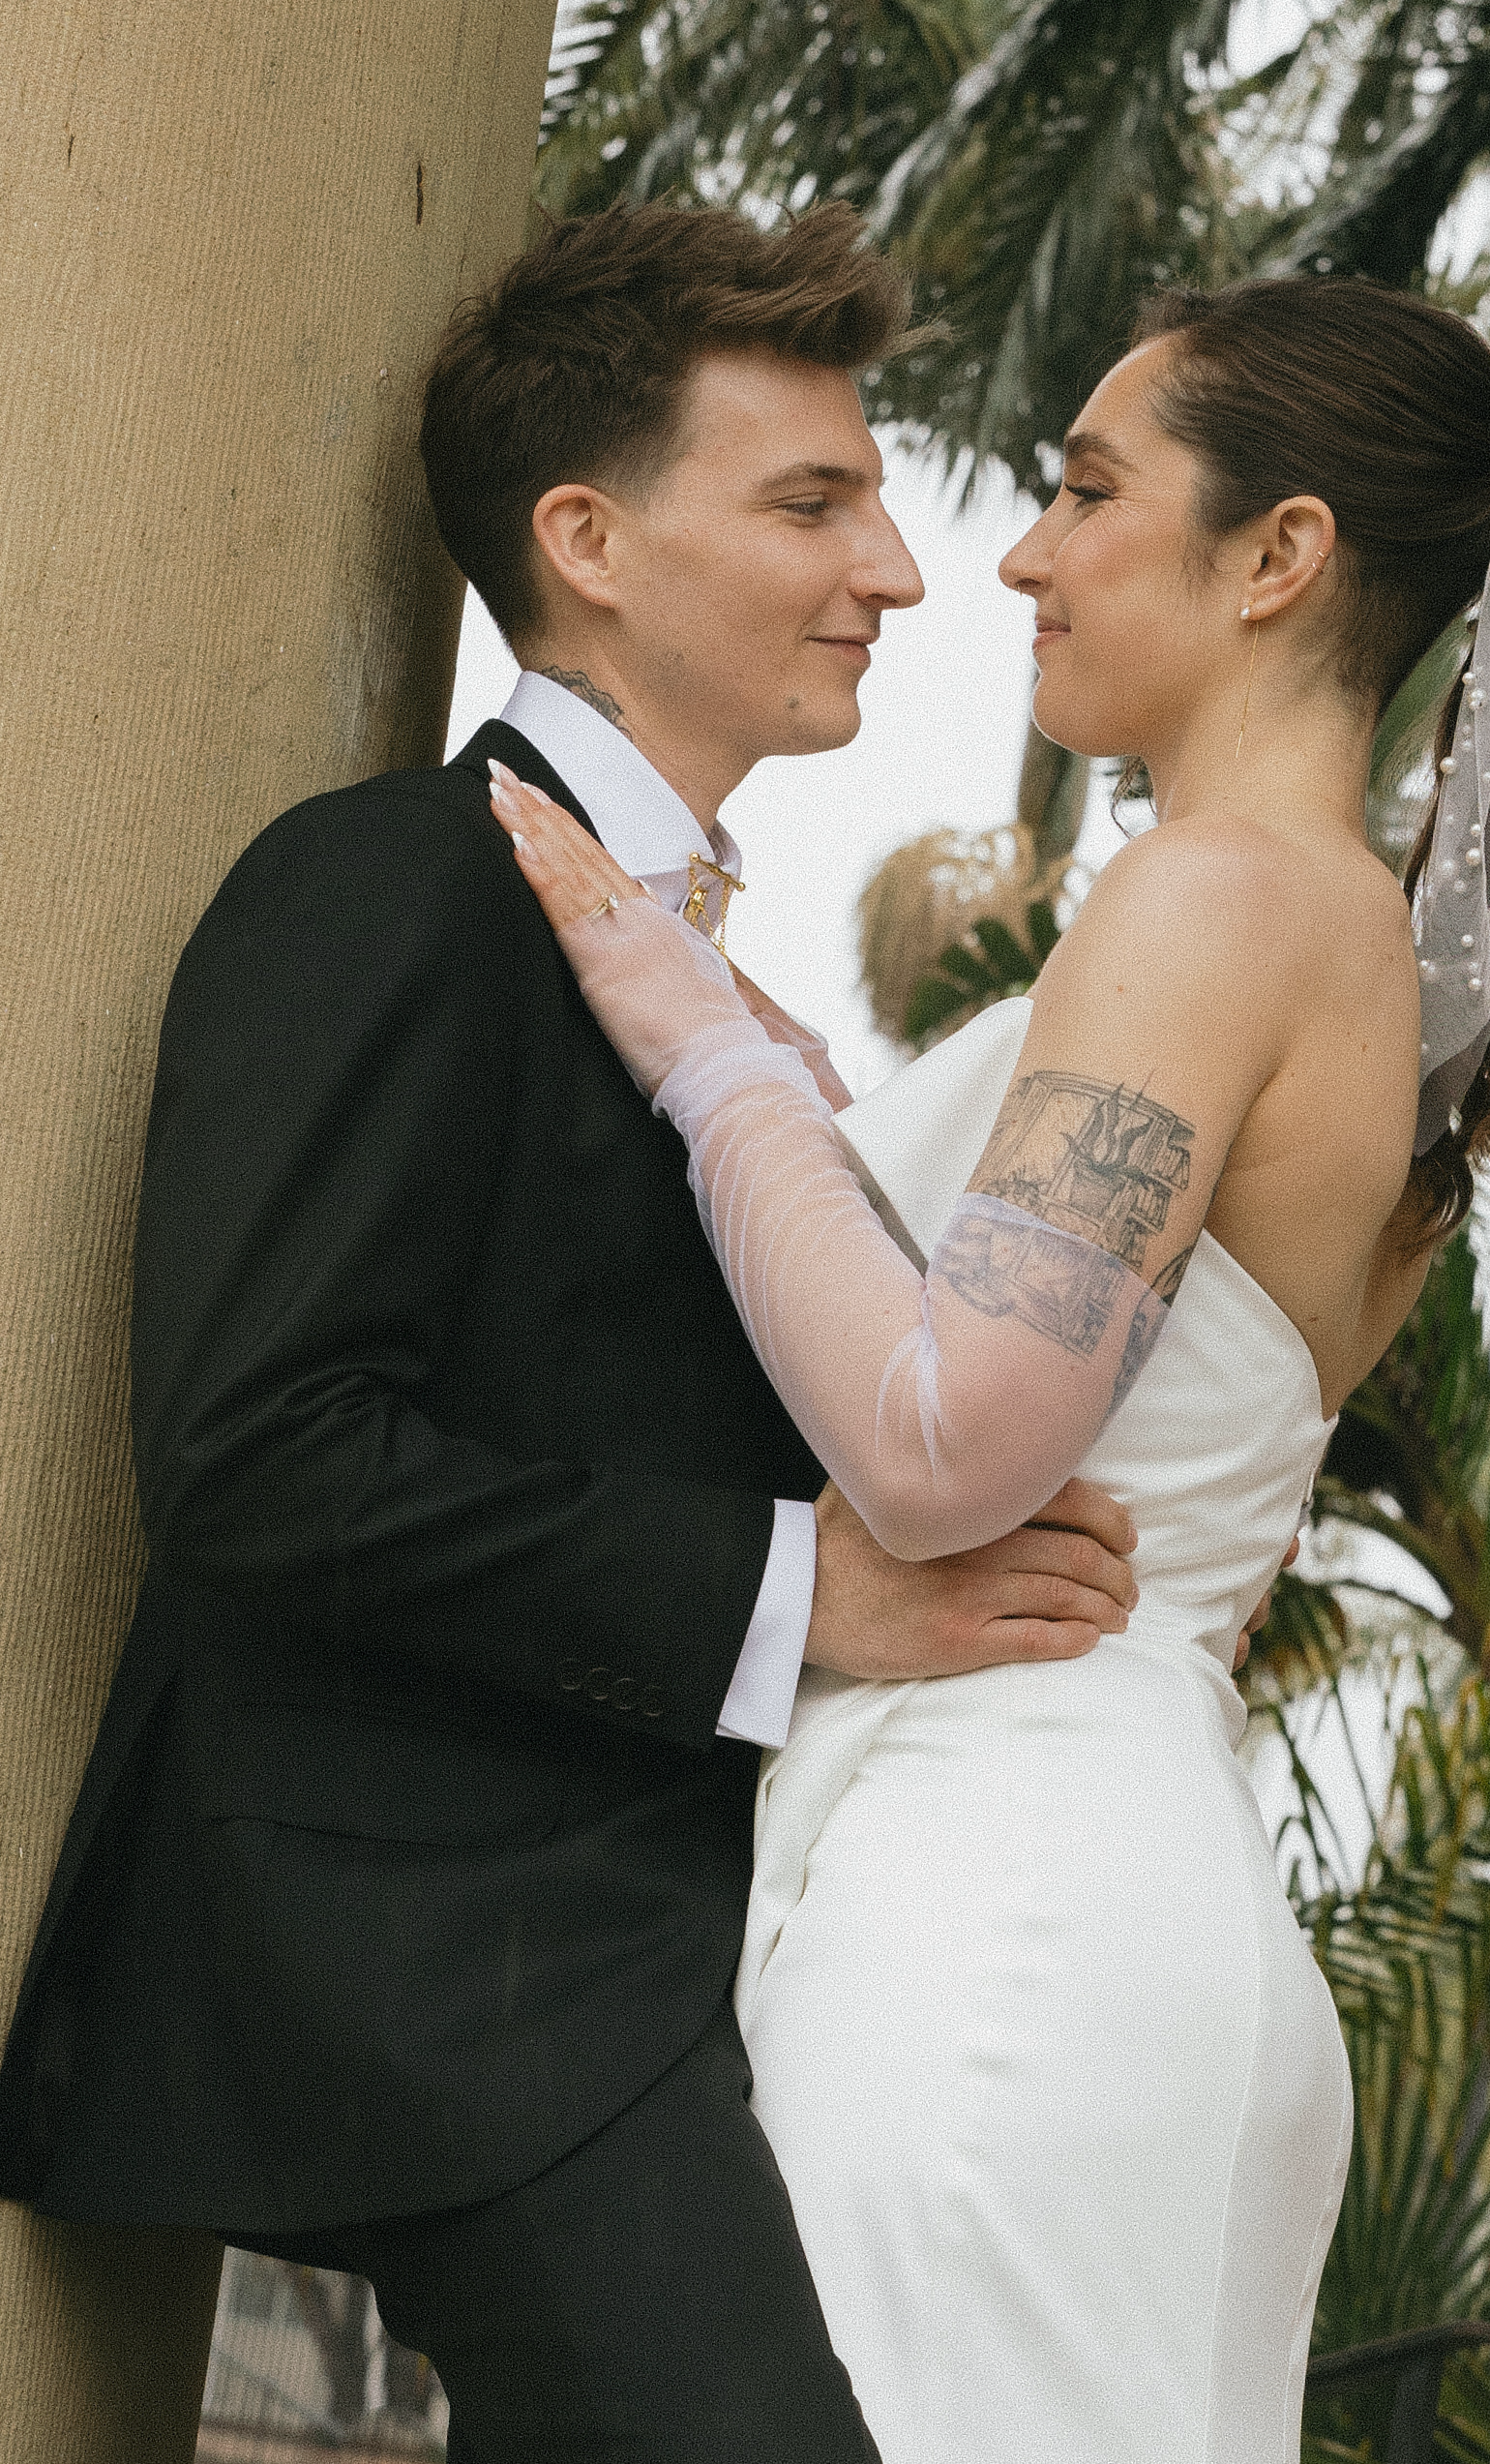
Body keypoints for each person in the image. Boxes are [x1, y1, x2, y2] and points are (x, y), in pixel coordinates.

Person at [0, 204, 1155, 2463]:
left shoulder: (714, 978)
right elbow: (261, 1455)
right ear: (587, 540)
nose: (897, 570)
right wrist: (805, 1591)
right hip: (461, 1969)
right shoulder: (390, 881)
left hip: (679, 1947)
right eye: (812, 502)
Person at [489, 273, 1490, 2463]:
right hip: (1108, 1867)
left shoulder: (1214, 899)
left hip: (1005, 1910)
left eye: (1088, 489)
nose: (1021, 555)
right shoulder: (1335, 936)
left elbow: (949, 1441)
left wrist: (697, 1053)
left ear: (1279, 555)